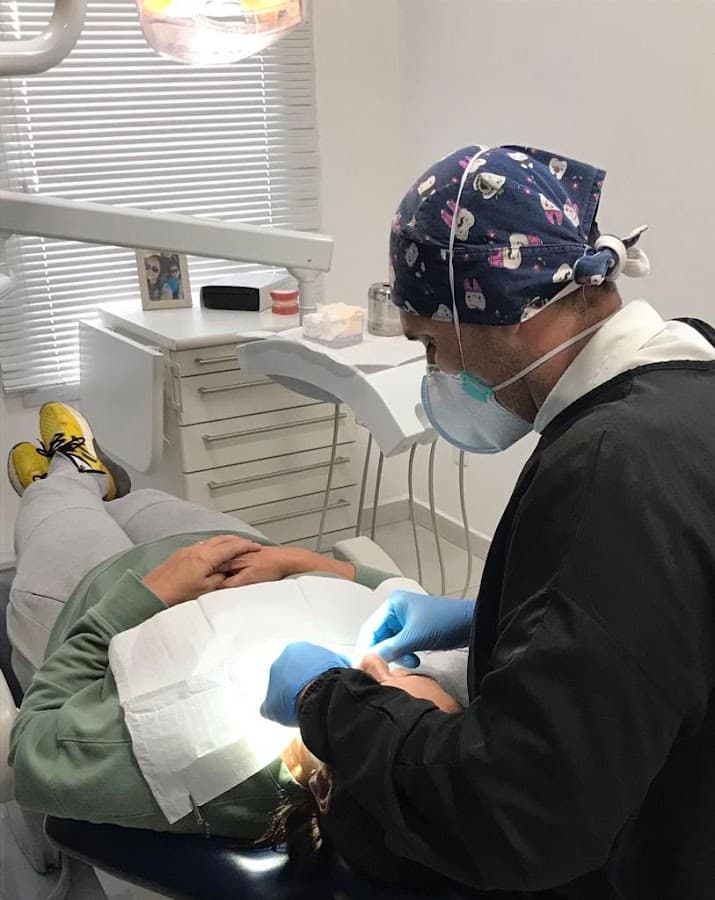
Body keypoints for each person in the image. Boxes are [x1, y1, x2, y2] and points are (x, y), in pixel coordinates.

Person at [259, 145, 715, 898]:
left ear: (497, 312)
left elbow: (519, 820)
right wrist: (491, 616)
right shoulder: (690, 374)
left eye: (430, 346)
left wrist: (325, 701)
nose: (435, 373)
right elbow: (669, 604)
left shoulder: (613, 466)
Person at [6, 402, 460, 850]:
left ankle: (66, 472)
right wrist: (299, 559)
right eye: (404, 673)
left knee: (60, 508)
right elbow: (389, 594)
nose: (374, 661)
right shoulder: (441, 694)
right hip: (248, 555)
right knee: (144, 502)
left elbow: (30, 748)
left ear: (322, 787)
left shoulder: (182, 760)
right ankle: (104, 487)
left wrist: (146, 596)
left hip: (98, 590)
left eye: (368, 690)